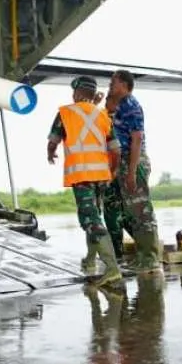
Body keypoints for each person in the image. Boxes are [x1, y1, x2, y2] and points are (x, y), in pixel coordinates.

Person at [47, 75, 123, 285]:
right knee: (94, 215)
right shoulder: (102, 116)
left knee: (91, 221)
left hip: (81, 176)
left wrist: (50, 153)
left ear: (78, 93)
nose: (72, 95)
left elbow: (53, 141)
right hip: (101, 176)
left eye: (74, 92)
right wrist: (113, 170)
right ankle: (90, 260)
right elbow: (116, 149)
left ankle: (112, 268)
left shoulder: (65, 113)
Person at [103, 69, 162, 272]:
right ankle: (143, 256)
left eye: (114, 82)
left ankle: (150, 258)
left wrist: (131, 171)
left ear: (124, 84)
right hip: (126, 162)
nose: (110, 85)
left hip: (133, 161)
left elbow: (136, 139)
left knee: (142, 212)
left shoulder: (130, 105)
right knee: (133, 212)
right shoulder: (119, 106)